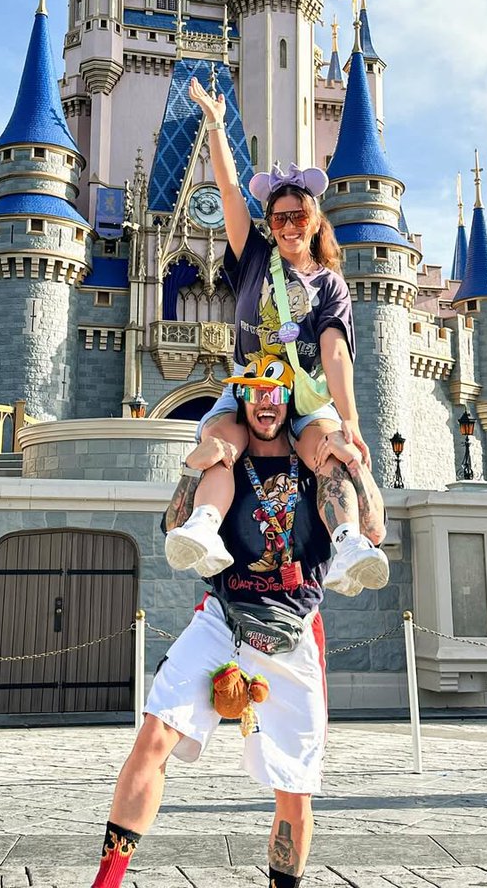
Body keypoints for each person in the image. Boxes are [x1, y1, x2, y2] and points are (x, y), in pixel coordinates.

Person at [89, 359, 386, 888]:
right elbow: (174, 528)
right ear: (243, 400)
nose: (266, 403)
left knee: (294, 788)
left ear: (288, 401)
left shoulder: (318, 464)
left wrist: (352, 461)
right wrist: (193, 463)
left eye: (276, 394)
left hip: (292, 630)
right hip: (223, 617)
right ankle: (105, 883)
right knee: (152, 737)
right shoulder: (224, 463)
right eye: (255, 394)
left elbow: (376, 528)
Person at [165, 76, 387, 596]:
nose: (289, 226)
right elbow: (225, 191)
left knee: (331, 452)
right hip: (253, 385)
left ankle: (348, 542)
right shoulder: (255, 260)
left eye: (299, 216)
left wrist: (349, 421)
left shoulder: (330, 282)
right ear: (271, 221)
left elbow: (333, 350)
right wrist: (217, 128)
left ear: (314, 222)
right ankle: (203, 528)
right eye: (280, 217)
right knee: (220, 444)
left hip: (306, 394)